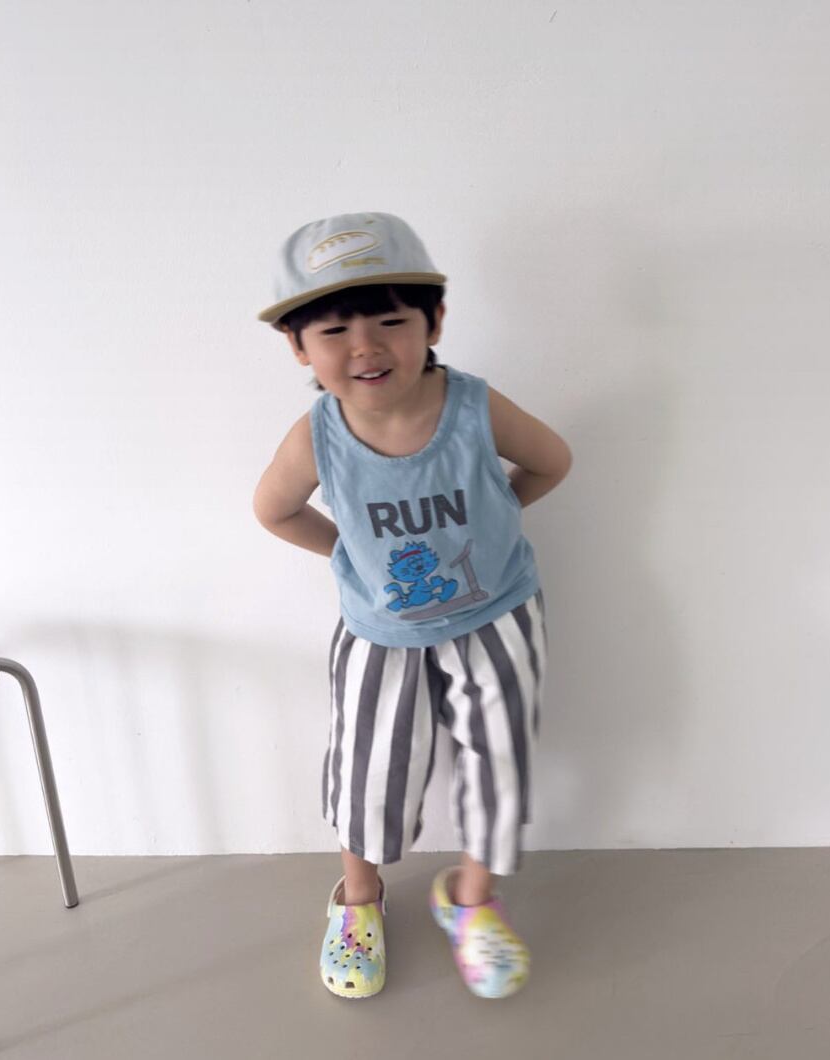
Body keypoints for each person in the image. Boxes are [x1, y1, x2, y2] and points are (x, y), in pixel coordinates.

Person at [252, 211, 572, 1000]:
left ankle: (471, 899)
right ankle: (358, 898)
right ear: (298, 347)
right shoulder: (316, 438)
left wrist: (496, 520)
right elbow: (274, 510)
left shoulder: (474, 408)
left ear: (434, 321)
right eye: (335, 330)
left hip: (496, 617)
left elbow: (552, 460)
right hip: (380, 633)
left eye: (391, 321)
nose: (365, 346)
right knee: (371, 769)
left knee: (499, 760)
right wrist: (350, 555)